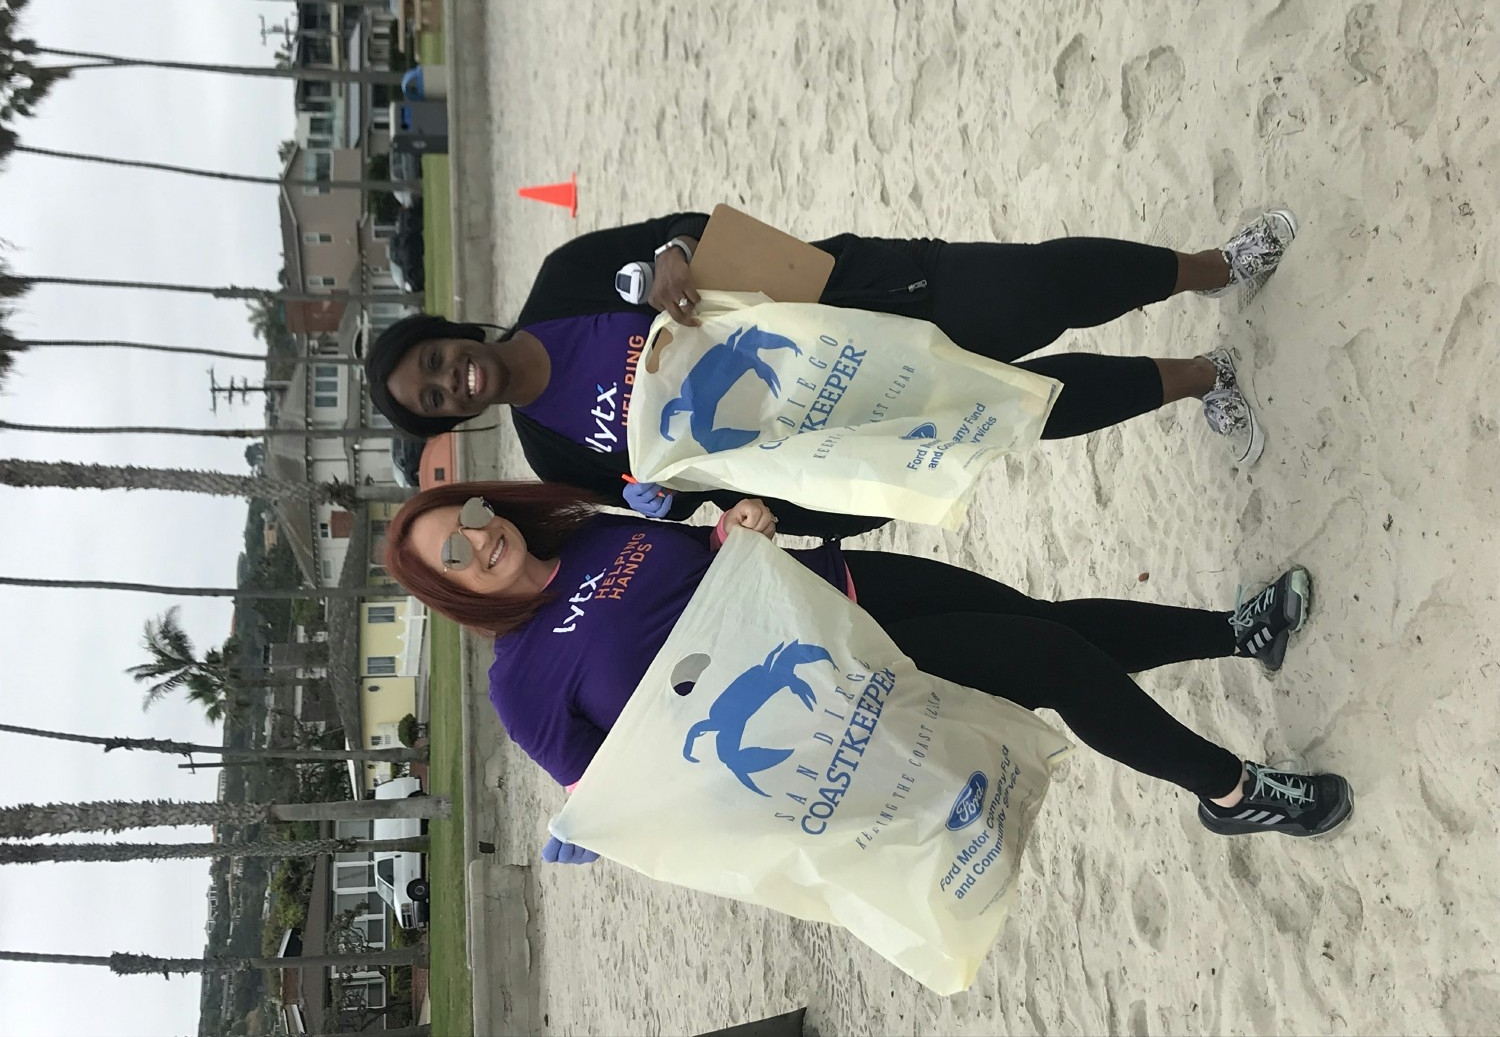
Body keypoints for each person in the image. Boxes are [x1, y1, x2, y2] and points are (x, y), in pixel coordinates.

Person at [383, 480, 1353, 865]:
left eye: (467, 521)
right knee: (1051, 664)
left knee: (1042, 626)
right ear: (452, 593)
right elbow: (629, 803)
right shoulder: (522, 688)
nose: (479, 543)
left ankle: (1235, 632)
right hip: (846, 685)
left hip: (846, 584)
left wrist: (739, 527)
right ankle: (1231, 789)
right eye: (454, 559)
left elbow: (708, 562)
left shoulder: (582, 528)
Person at [366, 211, 1298, 538]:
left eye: (439, 361)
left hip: (851, 306)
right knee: (1022, 409)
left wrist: (673, 259)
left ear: (450, 333)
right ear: (448, 420)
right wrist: (679, 503)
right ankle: (1200, 377)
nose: (457, 381)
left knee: (1035, 289)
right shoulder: (553, 452)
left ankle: (1214, 265)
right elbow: (692, 496)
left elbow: (689, 229)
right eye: (437, 398)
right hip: (831, 436)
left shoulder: (564, 280)